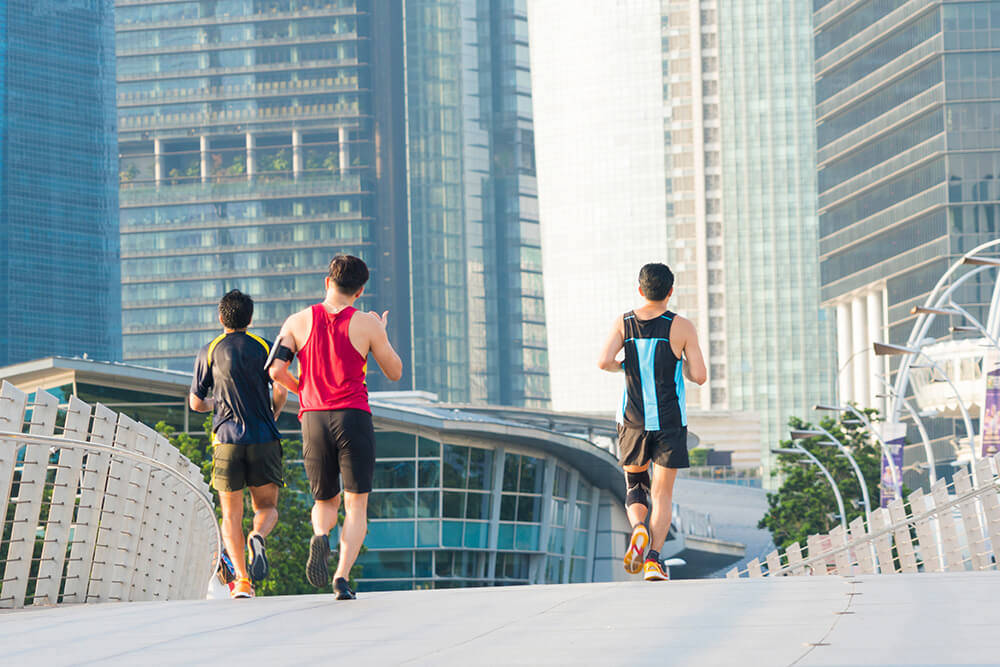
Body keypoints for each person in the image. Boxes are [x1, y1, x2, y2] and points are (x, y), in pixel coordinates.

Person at [269, 255, 403, 600]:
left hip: (313, 418)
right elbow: (395, 371)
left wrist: (307, 389)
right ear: (359, 291)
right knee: (356, 505)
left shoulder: (296, 321)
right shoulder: (366, 324)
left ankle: (320, 534)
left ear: (327, 282)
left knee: (325, 500)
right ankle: (341, 578)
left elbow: (275, 371)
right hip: (353, 417)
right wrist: (381, 334)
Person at [597, 263, 706, 581]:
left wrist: (624, 367)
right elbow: (699, 375)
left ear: (640, 290)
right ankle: (654, 560)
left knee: (636, 486)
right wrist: (681, 361)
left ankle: (638, 531)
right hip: (670, 421)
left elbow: (603, 361)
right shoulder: (681, 326)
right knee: (662, 494)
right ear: (670, 291)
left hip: (632, 420)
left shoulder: (624, 322)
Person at [190, 289, 288, 599]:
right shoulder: (265, 347)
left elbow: (196, 402)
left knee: (231, 515)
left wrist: (216, 405)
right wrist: (272, 412)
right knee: (267, 507)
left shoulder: (210, 350)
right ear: (250, 318)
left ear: (221, 317)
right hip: (264, 437)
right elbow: (282, 389)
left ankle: (243, 581)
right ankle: (257, 535)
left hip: (227, 440)